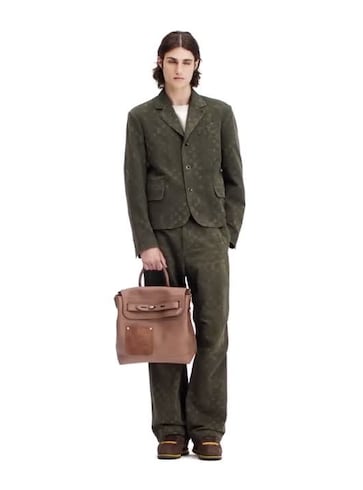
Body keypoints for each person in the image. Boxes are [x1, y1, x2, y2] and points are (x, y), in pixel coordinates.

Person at [123, 31, 245, 460]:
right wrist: (145, 243)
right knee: (165, 333)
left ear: (196, 66)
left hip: (209, 234)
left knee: (214, 330)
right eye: (172, 61)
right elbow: (133, 183)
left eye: (186, 61)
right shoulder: (141, 117)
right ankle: (170, 430)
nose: (179, 69)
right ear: (160, 63)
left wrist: (228, 231)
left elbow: (235, 178)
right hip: (162, 238)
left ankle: (208, 428)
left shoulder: (220, 113)